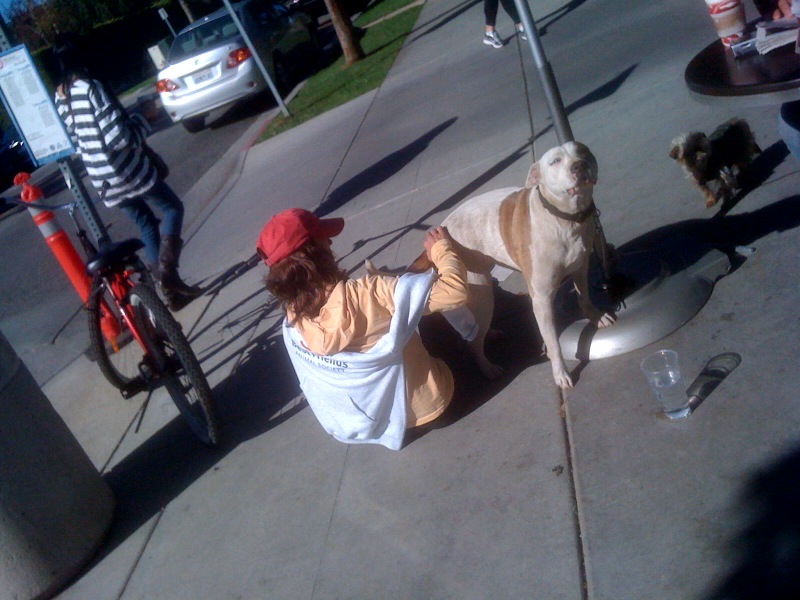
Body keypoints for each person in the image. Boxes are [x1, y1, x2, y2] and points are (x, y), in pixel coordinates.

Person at [258, 208, 471, 450]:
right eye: (323, 238)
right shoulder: (370, 291)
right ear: (316, 252)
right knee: (432, 317)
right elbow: (455, 292)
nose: (329, 241)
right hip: (435, 408)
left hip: (384, 423)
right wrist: (442, 249)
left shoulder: (293, 320)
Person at [52, 33, 201, 311]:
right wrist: (145, 117)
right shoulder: (90, 88)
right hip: (127, 171)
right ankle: (167, 274)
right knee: (171, 208)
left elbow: (78, 138)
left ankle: (171, 293)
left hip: (103, 180)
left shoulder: (62, 96)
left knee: (145, 223)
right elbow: (119, 138)